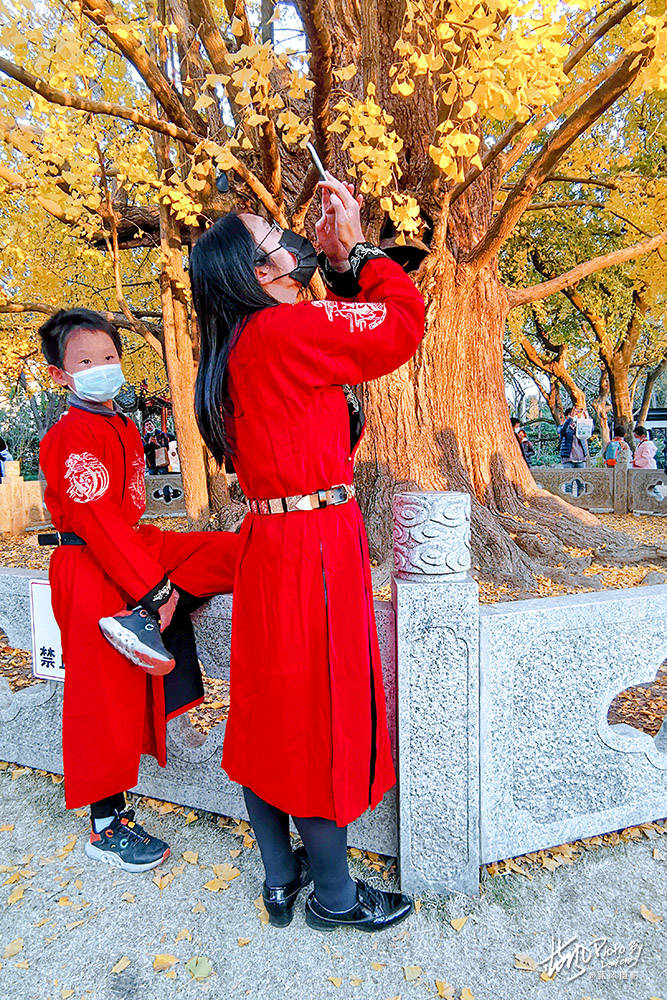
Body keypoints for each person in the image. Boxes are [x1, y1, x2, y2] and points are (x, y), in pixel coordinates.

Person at [189, 174, 425, 933]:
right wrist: (355, 243)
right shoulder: (288, 331)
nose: (290, 242)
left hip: (267, 539)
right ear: (258, 273)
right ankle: (336, 897)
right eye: (274, 243)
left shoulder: (232, 348)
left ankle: (279, 875)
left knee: (264, 710)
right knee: (318, 715)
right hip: (313, 545)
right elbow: (400, 324)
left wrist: (330, 263)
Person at [38, 309, 240, 873]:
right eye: (85, 361)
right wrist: (153, 591)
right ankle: (107, 824)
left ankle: (162, 599)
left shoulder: (122, 424)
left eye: (108, 357)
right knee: (101, 698)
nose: (101, 368)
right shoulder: (69, 435)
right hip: (88, 561)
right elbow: (96, 519)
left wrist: (157, 582)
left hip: (130, 547)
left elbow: (124, 520)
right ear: (61, 375)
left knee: (228, 552)